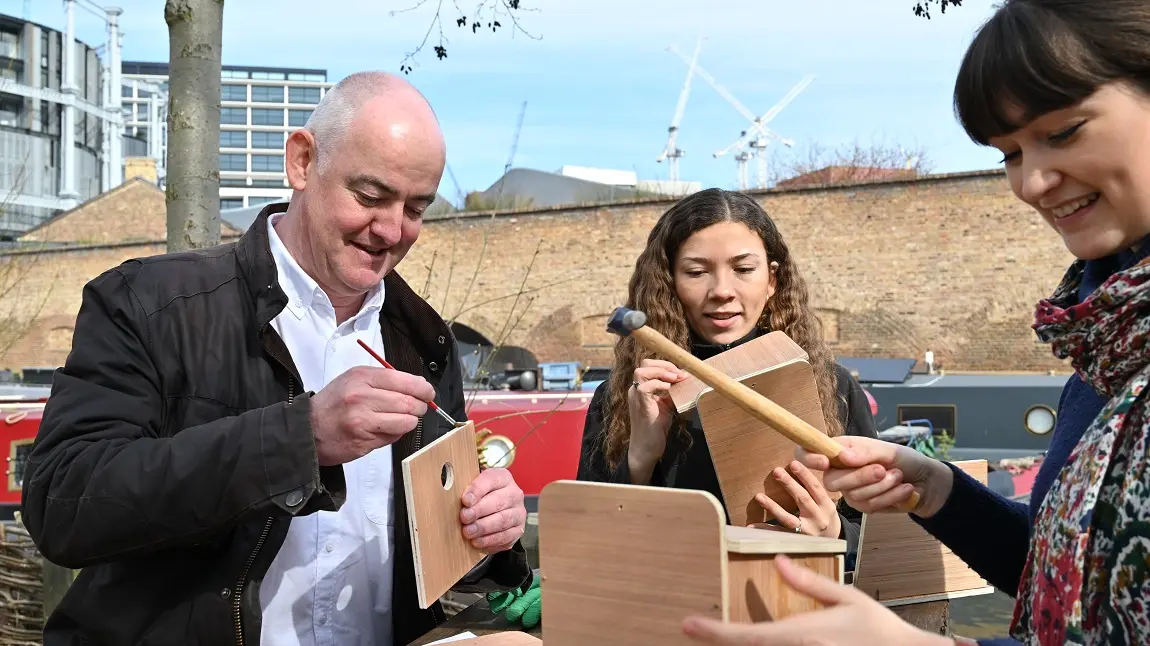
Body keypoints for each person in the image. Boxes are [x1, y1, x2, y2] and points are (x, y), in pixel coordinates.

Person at [680, 1, 1150, 644]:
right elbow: (1059, 584)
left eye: (1063, 131)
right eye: (1008, 153)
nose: (1033, 182)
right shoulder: (1108, 345)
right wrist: (936, 490)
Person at [19, 71, 532, 646]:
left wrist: (488, 531)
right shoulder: (150, 304)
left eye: (416, 208)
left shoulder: (424, 340)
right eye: (369, 196)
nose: (391, 229)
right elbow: (62, 503)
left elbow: (432, 547)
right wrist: (301, 439)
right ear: (302, 162)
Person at [577, 188, 879, 559]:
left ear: (772, 281)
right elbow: (589, 547)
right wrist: (639, 458)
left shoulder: (832, 385)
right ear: (669, 282)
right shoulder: (627, 395)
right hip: (671, 607)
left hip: (797, 606)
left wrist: (834, 534)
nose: (721, 290)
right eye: (697, 272)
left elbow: (881, 543)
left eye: (743, 269)